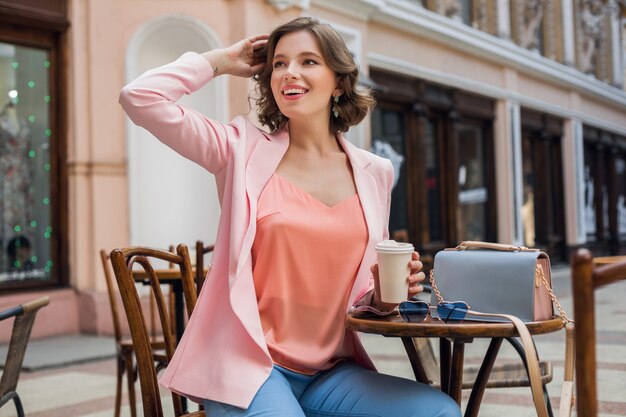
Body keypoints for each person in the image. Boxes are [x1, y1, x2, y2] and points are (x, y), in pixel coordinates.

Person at [120, 16, 461, 417]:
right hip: (248, 367)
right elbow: (139, 97)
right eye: (279, 63)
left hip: (331, 374)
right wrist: (222, 60)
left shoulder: (375, 173)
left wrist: (385, 297)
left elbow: (361, 299)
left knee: (438, 412)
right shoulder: (238, 150)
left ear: (339, 81)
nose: (289, 73)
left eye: (308, 61)